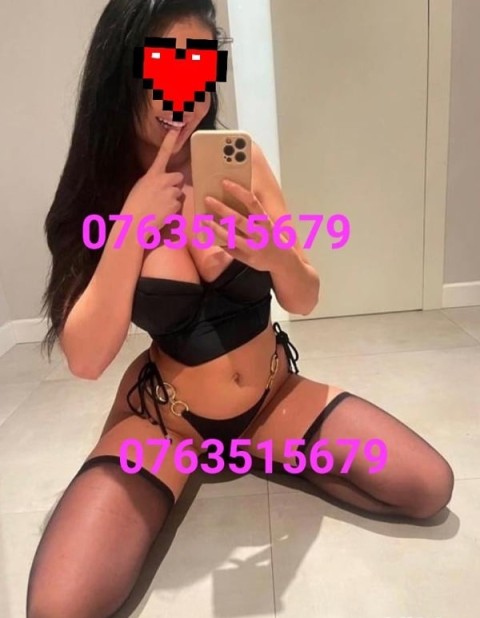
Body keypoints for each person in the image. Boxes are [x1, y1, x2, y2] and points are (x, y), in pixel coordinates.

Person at [26, 1, 454, 616]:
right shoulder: (101, 194)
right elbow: (87, 359)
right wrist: (131, 226)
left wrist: (277, 255)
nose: (185, 93)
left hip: (272, 400)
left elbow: (304, 297)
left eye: (200, 69)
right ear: (122, 71)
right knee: (59, 605)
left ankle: (254, 451)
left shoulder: (239, 162)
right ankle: (203, 458)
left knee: (427, 487)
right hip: (167, 424)